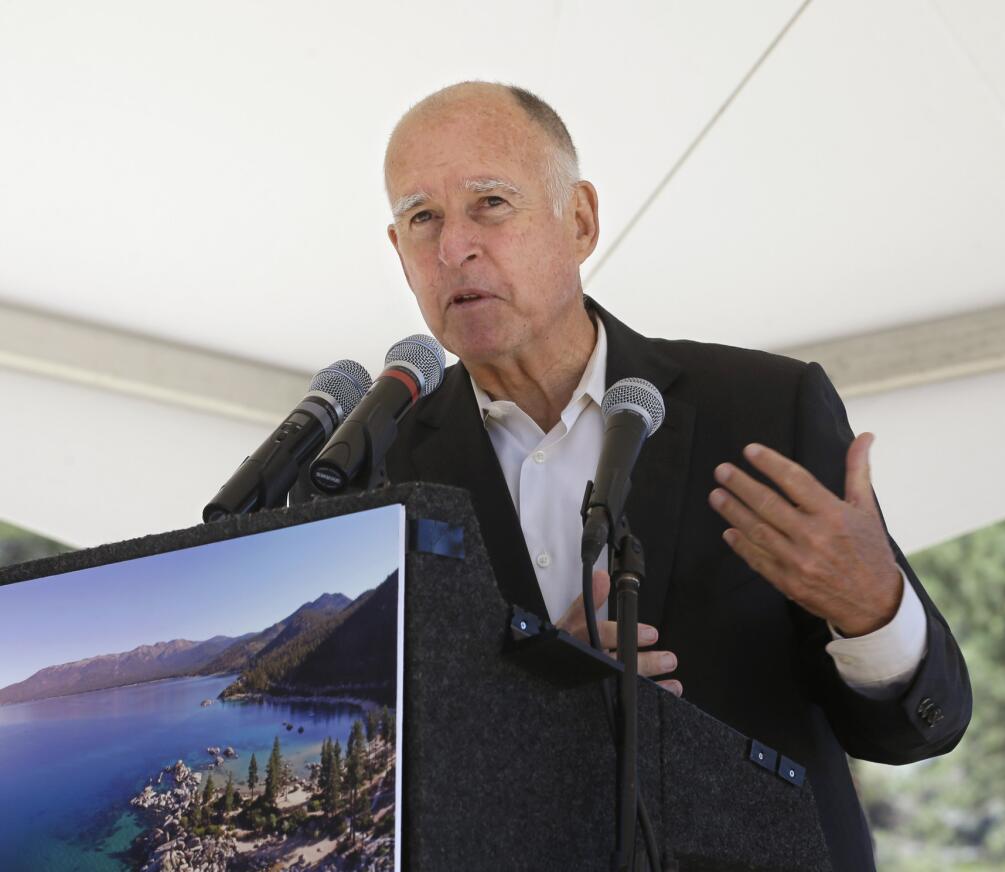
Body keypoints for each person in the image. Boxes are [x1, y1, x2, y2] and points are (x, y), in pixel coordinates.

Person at [381, 81, 971, 869]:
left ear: (580, 220)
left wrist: (874, 612)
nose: (454, 246)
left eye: (490, 202)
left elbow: (915, 728)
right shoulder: (378, 474)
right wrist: (529, 690)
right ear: (400, 253)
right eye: (423, 219)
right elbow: (383, 778)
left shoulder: (763, 409)